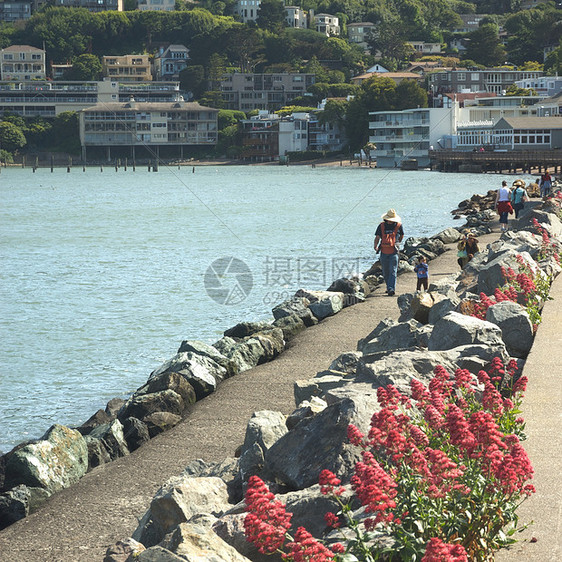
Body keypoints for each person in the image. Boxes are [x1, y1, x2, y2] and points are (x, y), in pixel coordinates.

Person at [374, 208, 404, 296]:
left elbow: (401, 236)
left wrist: (397, 243)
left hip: (393, 252)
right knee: (386, 271)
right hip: (384, 252)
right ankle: (389, 287)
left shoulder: (397, 225)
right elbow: (377, 237)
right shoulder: (382, 226)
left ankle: (391, 288)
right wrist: (375, 246)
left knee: (393, 271)